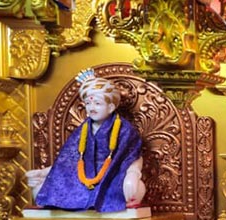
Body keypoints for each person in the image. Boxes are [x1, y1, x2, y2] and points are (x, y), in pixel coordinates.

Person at [31, 69, 146, 212]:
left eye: (97, 103)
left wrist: (133, 173)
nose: (91, 108)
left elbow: (134, 155)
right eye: (88, 104)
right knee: (39, 190)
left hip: (113, 176)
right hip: (82, 177)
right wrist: (45, 173)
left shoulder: (124, 129)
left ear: (111, 107)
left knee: (133, 188)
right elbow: (68, 159)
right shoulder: (84, 128)